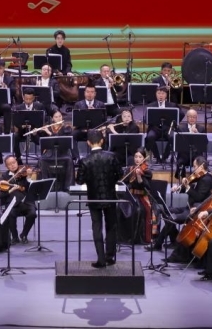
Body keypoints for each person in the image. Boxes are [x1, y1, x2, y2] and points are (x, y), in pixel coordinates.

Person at [75, 129, 123, 268]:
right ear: (102, 141)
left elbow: (79, 181)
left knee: (97, 227)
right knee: (111, 226)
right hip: (110, 197)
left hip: (94, 198)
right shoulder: (111, 156)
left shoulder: (85, 160)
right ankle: (110, 257)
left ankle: (101, 259)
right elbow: (120, 174)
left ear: (88, 143)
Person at [119, 148, 156, 246]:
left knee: (138, 210)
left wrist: (139, 176)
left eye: (140, 157)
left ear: (144, 158)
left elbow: (145, 187)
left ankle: (135, 238)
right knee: (119, 207)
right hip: (131, 195)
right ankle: (123, 237)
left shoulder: (147, 172)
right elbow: (124, 182)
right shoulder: (130, 169)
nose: (137, 159)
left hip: (142, 196)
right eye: (136, 156)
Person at [0, 156, 36, 244]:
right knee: (10, 213)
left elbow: (29, 189)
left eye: (14, 163)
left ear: (17, 162)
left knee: (33, 213)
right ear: (6, 166)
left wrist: (29, 177)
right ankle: (15, 236)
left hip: (25, 202)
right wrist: (10, 188)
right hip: (12, 204)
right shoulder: (4, 177)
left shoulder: (23, 173)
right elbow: (2, 195)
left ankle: (24, 234)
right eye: (9, 164)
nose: (12, 165)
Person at [37, 109, 76, 192]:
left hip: (62, 153)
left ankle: (68, 186)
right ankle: (46, 185)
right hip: (50, 153)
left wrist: (49, 133)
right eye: (56, 117)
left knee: (69, 160)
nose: (58, 118)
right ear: (52, 118)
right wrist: (34, 134)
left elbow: (59, 138)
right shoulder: (48, 127)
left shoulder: (66, 128)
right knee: (42, 160)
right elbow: (38, 140)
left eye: (60, 116)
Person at [145, 87, 179, 163]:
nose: (160, 95)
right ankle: (157, 157)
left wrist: (173, 123)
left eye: (163, 93)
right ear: (156, 94)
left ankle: (165, 157)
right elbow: (146, 119)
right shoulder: (150, 105)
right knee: (150, 137)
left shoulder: (172, 105)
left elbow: (180, 115)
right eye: (159, 93)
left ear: (166, 95)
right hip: (154, 128)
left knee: (172, 137)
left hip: (167, 128)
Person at [10, 89, 45, 159]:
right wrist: (21, 126)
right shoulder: (18, 107)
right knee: (14, 137)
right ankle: (18, 158)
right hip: (22, 131)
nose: (28, 101)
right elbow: (15, 122)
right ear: (23, 97)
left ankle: (43, 159)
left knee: (43, 138)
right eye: (26, 99)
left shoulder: (39, 106)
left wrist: (37, 129)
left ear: (33, 98)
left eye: (30, 99)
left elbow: (42, 120)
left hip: (35, 131)